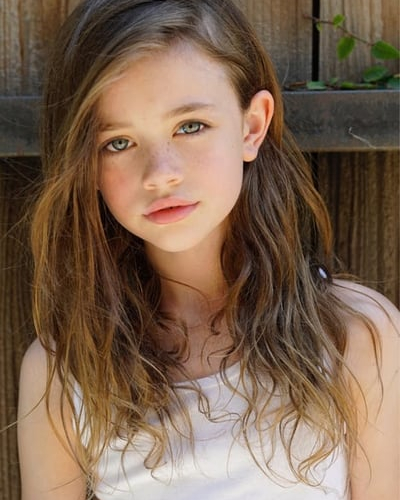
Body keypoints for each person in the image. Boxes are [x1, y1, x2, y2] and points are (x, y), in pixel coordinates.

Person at [17, 1, 399, 499]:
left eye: (190, 126)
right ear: (84, 163)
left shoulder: (355, 335)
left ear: (252, 126)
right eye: (118, 142)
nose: (160, 174)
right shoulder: (64, 370)